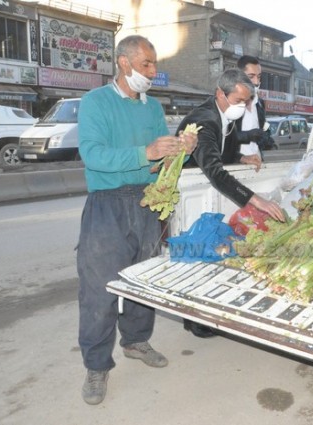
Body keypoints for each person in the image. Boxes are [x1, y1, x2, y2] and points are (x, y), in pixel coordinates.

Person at [76, 35, 198, 406]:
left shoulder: (152, 108)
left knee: (144, 283)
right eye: (146, 64)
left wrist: (179, 152)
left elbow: (157, 163)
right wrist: (146, 150)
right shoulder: (95, 102)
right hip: (107, 204)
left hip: (147, 203)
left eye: (154, 64)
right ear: (124, 63)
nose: (153, 71)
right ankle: (97, 366)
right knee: (100, 290)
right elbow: (93, 155)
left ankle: (136, 341)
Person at [176, 68, 285, 337]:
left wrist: (241, 158)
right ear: (219, 94)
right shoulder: (203, 121)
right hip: (186, 192)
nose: (244, 106)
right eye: (239, 101)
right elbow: (214, 170)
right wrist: (253, 199)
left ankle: (211, 311)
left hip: (203, 189)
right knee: (194, 255)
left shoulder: (228, 115)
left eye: (248, 101)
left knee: (217, 252)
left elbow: (226, 150)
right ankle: (195, 318)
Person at [235, 55, 273, 158]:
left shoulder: (259, 104)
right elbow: (222, 138)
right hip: (236, 166)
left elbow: (263, 129)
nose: (256, 82)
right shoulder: (230, 104)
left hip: (257, 164)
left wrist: (266, 137)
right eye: (251, 77)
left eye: (259, 77)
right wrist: (249, 135)